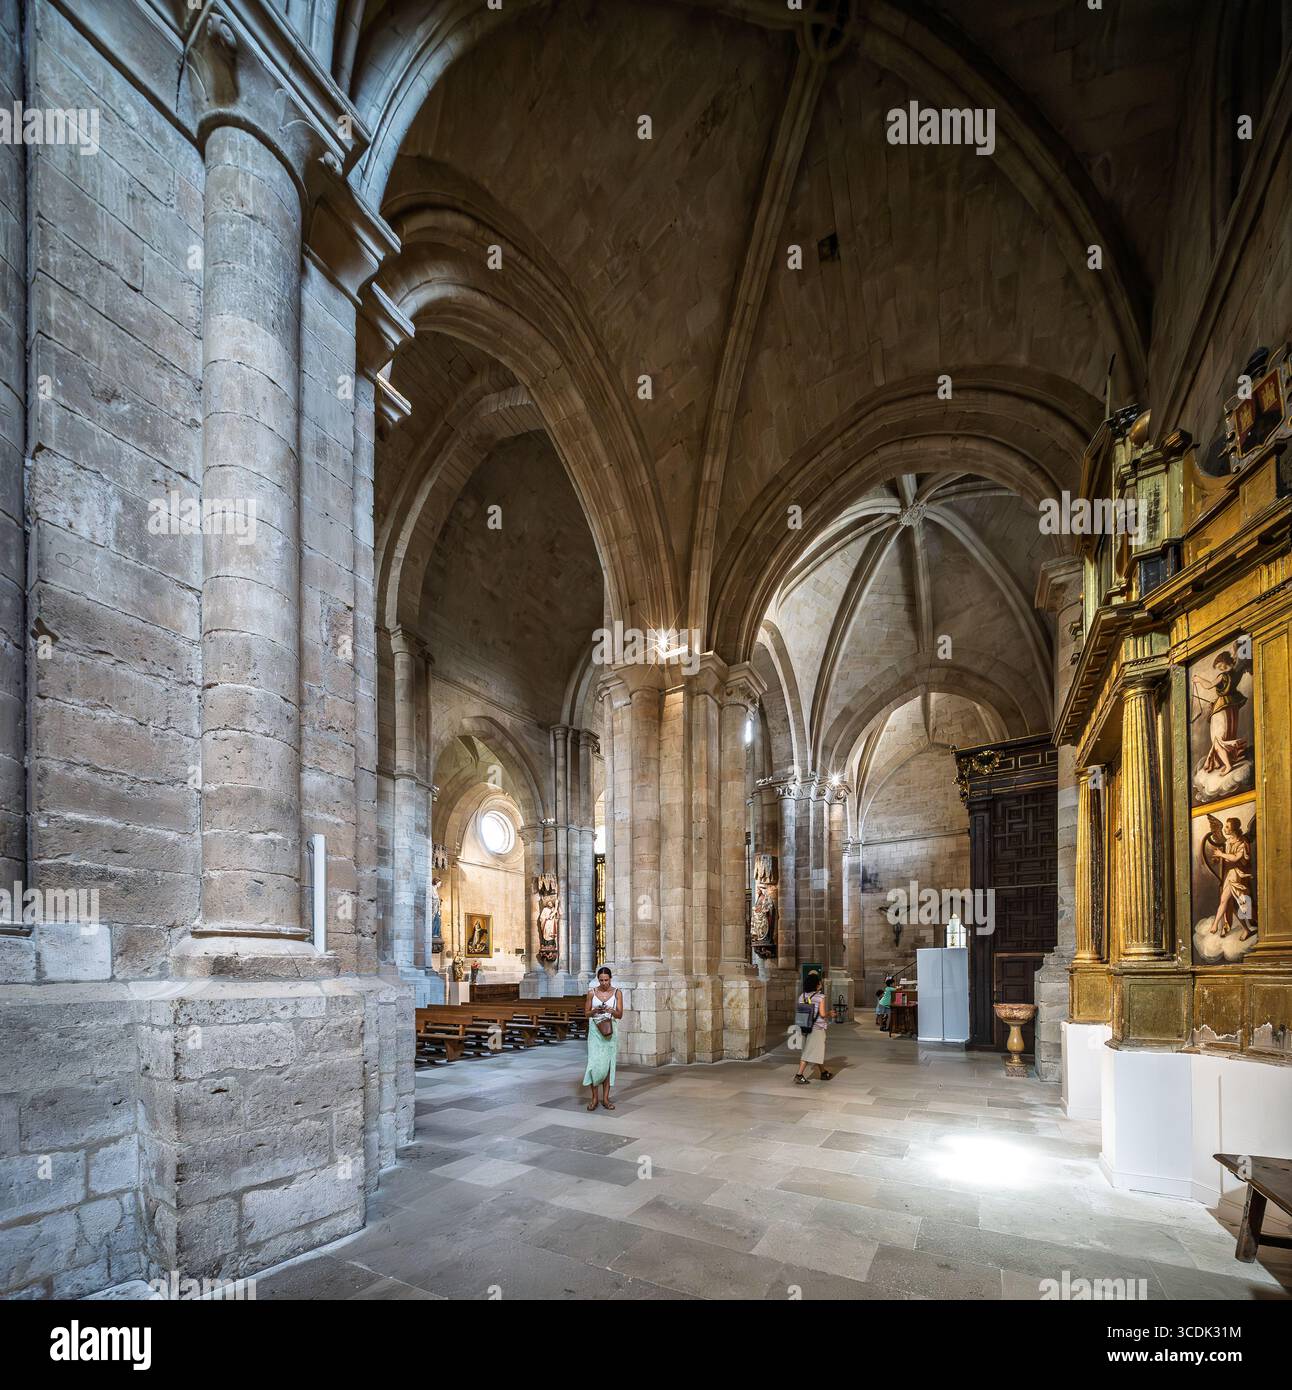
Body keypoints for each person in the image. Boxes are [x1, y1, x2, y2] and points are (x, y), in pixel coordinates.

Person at [583, 966, 623, 1111]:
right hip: (594, 1030)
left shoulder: (617, 993)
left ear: (610, 979)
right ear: (597, 979)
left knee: (607, 1065)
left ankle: (605, 1099)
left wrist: (612, 1010)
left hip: (609, 1031)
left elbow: (620, 1015)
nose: (604, 983)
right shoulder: (591, 993)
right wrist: (594, 1010)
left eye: (606, 980)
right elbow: (586, 1014)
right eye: (601, 980)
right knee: (594, 1064)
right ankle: (594, 1099)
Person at [795, 971, 832, 1084]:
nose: (820, 983)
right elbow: (822, 1014)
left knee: (816, 1050)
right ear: (816, 984)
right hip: (816, 1028)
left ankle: (823, 1072)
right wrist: (829, 1013)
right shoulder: (820, 997)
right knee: (809, 1051)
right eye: (819, 982)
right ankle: (799, 1074)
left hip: (804, 1026)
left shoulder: (802, 996)